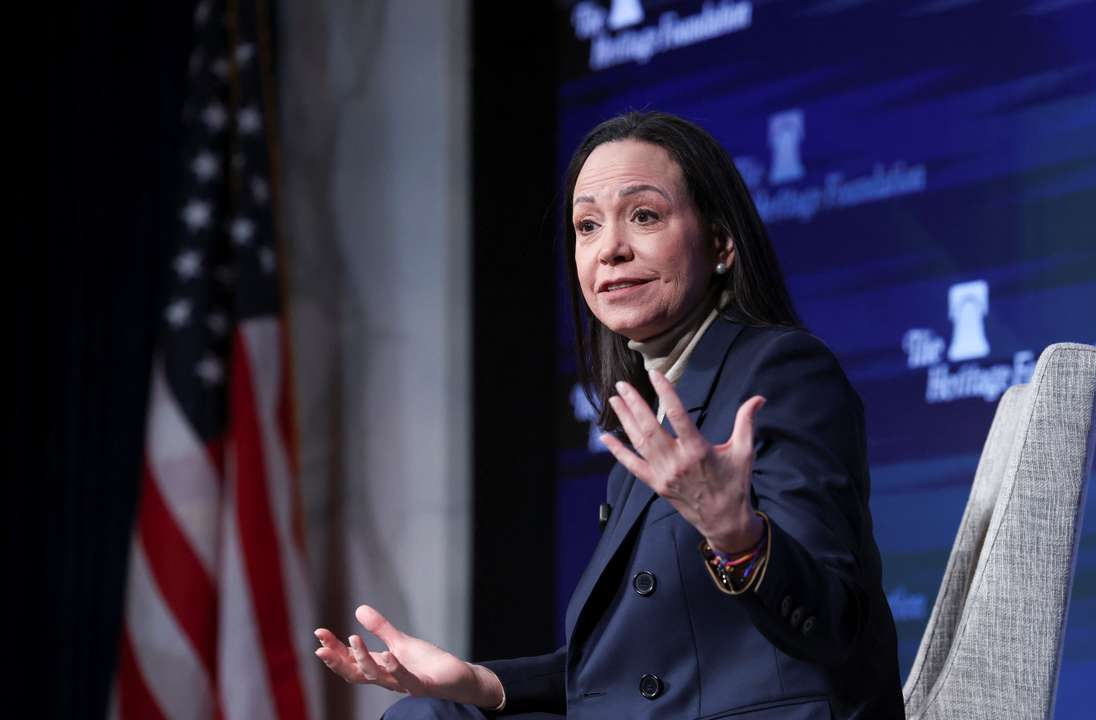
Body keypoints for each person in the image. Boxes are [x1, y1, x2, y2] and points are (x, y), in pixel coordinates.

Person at [314, 111, 905, 719]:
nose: (611, 250)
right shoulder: (644, 413)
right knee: (429, 714)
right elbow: (628, 672)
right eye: (587, 226)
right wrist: (480, 681)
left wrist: (739, 538)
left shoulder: (781, 370)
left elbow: (837, 621)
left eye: (644, 216)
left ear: (722, 244)